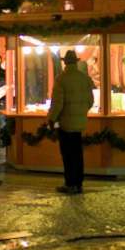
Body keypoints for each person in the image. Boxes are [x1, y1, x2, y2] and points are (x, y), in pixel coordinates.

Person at [47, 49, 95, 194]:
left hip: (66, 124)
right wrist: (81, 112)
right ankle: (78, 183)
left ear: (65, 63)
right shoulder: (84, 78)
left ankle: (70, 184)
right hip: (79, 123)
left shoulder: (61, 79)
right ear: (76, 62)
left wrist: (51, 119)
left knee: (68, 155)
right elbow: (90, 101)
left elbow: (57, 104)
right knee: (78, 154)